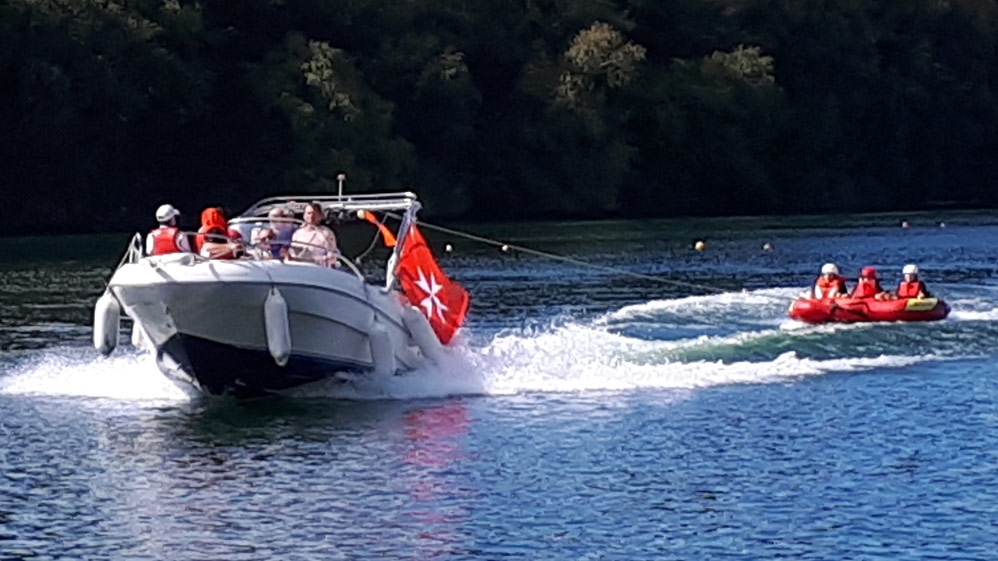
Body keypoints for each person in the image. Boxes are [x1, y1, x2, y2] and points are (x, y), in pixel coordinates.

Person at [289, 202, 338, 266]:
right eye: (308, 213)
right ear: (304, 215)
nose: (311, 216)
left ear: (320, 216)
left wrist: (313, 259)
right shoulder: (297, 233)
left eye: (314, 214)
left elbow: (333, 257)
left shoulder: (326, 233)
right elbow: (292, 254)